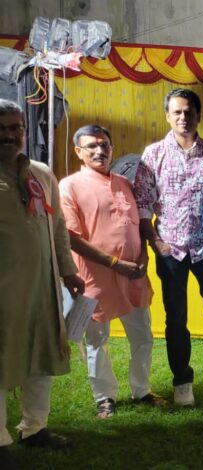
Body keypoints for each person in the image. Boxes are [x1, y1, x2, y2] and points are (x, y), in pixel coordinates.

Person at [133, 88, 203, 406]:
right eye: (177, 112)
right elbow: (141, 205)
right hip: (171, 251)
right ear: (167, 116)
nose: (183, 117)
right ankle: (182, 381)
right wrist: (156, 243)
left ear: (198, 115)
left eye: (189, 111)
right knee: (176, 319)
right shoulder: (153, 155)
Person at [59, 125, 165, 419]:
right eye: (91, 146)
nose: (99, 151)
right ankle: (104, 398)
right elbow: (71, 237)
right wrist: (116, 263)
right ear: (78, 152)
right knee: (98, 341)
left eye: (104, 145)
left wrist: (143, 258)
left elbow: (140, 224)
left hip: (133, 274)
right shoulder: (69, 186)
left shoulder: (125, 183)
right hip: (95, 277)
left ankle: (142, 390)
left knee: (143, 336)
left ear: (112, 148)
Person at [0, 99, 85, 458]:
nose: (9, 135)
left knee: (42, 352)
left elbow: (58, 227)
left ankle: (34, 427)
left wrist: (67, 269)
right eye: (1, 129)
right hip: (5, 289)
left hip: (43, 285)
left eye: (15, 128)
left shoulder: (41, 172)